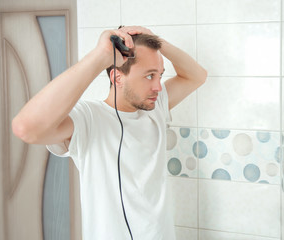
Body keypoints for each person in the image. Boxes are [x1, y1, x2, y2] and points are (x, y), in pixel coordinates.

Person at [12, 26, 207, 239]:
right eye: (149, 76)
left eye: (160, 75)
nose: (158, 87)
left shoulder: (155, 108)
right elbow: (26, 128)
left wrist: (157, 41)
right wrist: (101, 56)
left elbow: (196, 76)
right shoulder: (88, 118)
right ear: (117, 77)